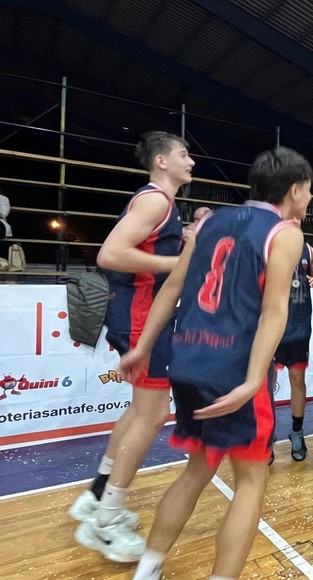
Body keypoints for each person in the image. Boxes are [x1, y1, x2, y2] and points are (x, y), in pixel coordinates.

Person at [118, 146, 310, 580]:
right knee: (251, 482)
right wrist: (254, 379)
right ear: (296, 190)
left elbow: (172, 288)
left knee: (196, 470)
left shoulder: (209, 222)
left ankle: (147, 570)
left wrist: (143, 347)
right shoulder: (285, 233)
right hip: (235, 370)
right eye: (308, 190)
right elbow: (274, 311)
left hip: (189, 361)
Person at [71, 131, 193, 562]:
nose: (191, 161)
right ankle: (105, 522)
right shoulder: (155, 200)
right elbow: (109, 255)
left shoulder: (160, 203)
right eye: (184, 154)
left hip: (136, 313)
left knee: (140, 411)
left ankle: (96, 497)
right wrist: (178, 262)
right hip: (142, 317)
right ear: (161, 161)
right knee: (152, 414)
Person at [275, 228, 313, 462]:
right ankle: (266, 434)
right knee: (266, 383)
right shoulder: (268, 243)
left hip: (299, 324)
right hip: (272, 325)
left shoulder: (308, 249)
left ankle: (297, 432)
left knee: (297, 379)